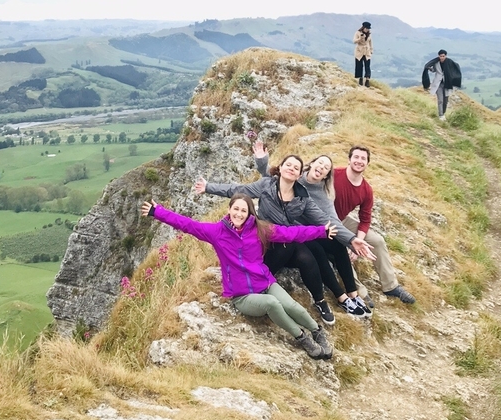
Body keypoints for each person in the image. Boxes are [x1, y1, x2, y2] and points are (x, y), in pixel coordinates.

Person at [140, 193, 336, 359]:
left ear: (250, 213)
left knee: (291, 305)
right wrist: (157, 212)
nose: (239, 214)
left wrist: (321, 231)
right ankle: (302, 337)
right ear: (229, 209)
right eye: (236, 209)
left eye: (244, 210)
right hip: (242, 295)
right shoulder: (216, 232)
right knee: (272, 304)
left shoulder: (260, 229)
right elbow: (187, 225)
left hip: (265, 282)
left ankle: (317, 331)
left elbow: (291, 233)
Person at [195, 154, 375, 326]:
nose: (292, 169)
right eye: (288, 165)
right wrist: (208, 187)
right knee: (294, 247)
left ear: (299, 174)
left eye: (296, 167)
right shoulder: (266, 185)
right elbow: (237, 190)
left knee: (306, 256)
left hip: (287, 240)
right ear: (280, 168)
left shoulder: (303, 198)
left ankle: (320, 301)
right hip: (264, 244)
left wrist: (351, 239)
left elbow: (325, 220)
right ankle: (265, 282)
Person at [253, 143, 373, 318]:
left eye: (326, 168)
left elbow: (332, 221)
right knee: (317, 251)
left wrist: (350, 240)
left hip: (315, 230)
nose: (322, 168)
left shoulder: (323, 194)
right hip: (297, 233)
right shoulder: (295, 177)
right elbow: (269, 177)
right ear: (311, 164)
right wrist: (261, 159)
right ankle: (341, 297)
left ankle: (353, 294)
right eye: (320, 163)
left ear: (326, 175)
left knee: (337, 245)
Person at [334, 146, 416, 304]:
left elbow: (365, 219)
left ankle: (390, 285)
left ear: (367, 163)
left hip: (343, 220)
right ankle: (359, 291)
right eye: (356, 157)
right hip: (325, 222)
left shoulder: (366, 190)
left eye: (363, 158)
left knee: (377, 240)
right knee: (341, 251)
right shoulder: (334, 175)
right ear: (349, 159)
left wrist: (359, 242)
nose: (359, 161)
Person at [422, 49, 462, 120]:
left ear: (445, 56)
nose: (442, 58)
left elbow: (454, 69)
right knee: (440, 100)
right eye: (441, 56)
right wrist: (429, 69)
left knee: (445, 100)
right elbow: (434, 70)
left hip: (447, 84)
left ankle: (443, 113)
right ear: (439, 56)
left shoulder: (449, 62)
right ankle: (440, 115)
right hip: (438, 84)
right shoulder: (436, 62)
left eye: (443, 56)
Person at [353, 21, 373, 87]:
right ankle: (360, 79)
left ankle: (367, 80)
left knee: (367, 66)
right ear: (363, 28)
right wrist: (360, 38)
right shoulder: (358, 33)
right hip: (359, 51)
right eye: (366, 28)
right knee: (359, 65)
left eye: (368, 29)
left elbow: (370, 42)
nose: (367, 30)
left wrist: (371, 50)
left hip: (367, 52)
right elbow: (354, 41)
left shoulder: (369, 34)